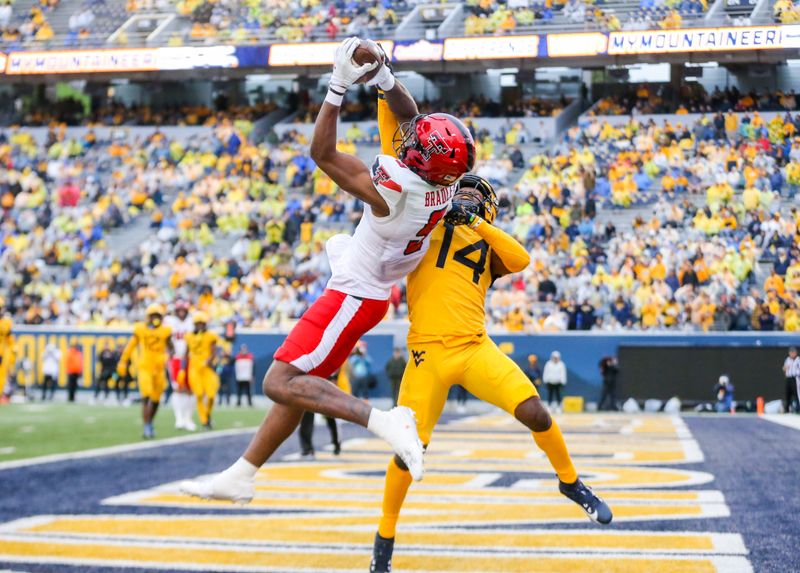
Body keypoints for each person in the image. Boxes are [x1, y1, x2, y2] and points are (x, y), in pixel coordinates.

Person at [180, 37, 475, 503]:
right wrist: (382, 77)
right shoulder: (444, 178)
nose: (410, 137)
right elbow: (410, 117)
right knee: (301, 386)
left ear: (420, 161)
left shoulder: (394, 190)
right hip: (374, 276)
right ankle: (242, 473)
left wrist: (338, 85)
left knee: (279, 381)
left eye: (416, 144)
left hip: (356, 291)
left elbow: (322, 155)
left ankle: (384, 421)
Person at [369, 103, 611, 572]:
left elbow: (520, 259)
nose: (469, 199)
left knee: (536, 411)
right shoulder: (425, 217)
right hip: (426, 354)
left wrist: (475, 222)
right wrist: (383, 89)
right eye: (465, 193)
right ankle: (385, 534)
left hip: (474, 347)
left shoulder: (486, 240)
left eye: (478, 198)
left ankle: (569, 481)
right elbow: (394, 153)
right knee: (408, 448)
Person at [117, 303, 174, 439]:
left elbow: (172, 349)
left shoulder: (165, 331)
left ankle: (150, 422)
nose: (155, 318)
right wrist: (123, 361)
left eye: (157, 316)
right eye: (153, 316)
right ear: (148, 317)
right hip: (145, 367)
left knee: (155, 400)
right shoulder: (140, 329)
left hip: (159, 369)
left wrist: (166, 356)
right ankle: (147, 426)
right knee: (146, 396)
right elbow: (131, 346)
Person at [185, 311, 220, 430]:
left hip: (207, 369)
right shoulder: (188, 336)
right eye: (198, 323)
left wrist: (209, 360)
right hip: (194, 369)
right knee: (199, 395)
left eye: (202, 323)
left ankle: (207, 414)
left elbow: (214, 351)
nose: (200, 326)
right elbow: (186, 353)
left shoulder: (210, 336)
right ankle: (204, 421)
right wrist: (182, 369)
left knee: (211, 395)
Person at [164, 300, 196, 430]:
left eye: (183, 310)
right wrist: (169, 351)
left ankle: (188, 418)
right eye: (179, 310)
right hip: (176, 358)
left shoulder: (192, 321)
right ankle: (179, 418)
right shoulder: (169, 321)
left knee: (190, 389)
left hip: (190, 359)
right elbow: (165, 338)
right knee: (177, 388)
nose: (181, 312)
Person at [298, 373, 342, 458]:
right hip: (308, 382)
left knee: (330, 414)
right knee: (306, 415)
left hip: (325, 380)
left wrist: (333, 377)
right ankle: (307, 449)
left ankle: (336, 443)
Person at [0, 313, 15, 401]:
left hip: (2, 352)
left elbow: (9, 338)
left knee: (4, 374)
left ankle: (2, 394)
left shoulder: (5, 323)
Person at [782, 347, 799, 413]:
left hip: (795, 378)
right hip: (788, 378)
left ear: (795, 353)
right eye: (790, 352)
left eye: (793, 352)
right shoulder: (787, 359)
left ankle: (798, 409)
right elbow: (784, 368)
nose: (792, 354)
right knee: (787, 394)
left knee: (796, 394)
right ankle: (787, 409)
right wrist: (785, 368)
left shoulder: (798, 360)